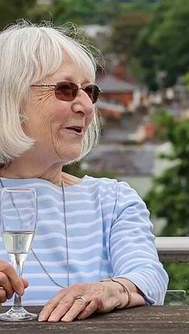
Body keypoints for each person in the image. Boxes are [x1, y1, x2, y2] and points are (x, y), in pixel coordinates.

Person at [0, 22, 168, 322]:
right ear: (11, 98)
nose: (87, 106)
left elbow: (148, 276)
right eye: (65, 90)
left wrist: (112, 289)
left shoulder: (112, 200)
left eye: (90, 91)